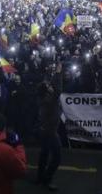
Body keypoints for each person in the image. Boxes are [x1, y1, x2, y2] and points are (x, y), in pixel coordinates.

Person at [36, 62, 63, 191]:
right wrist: (58, 73)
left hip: (44, 130)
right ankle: (47, 179)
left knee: (44, 153)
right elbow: (58, 90)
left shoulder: (44, 98)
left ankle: (39, 177)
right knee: (57, 157)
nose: (50, 86)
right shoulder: (49, 100)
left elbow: (51, 86)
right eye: (48, 86)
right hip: (50, 131)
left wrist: (49, 73)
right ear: (47, 91)